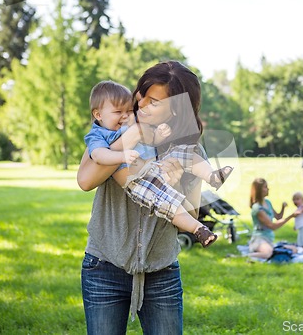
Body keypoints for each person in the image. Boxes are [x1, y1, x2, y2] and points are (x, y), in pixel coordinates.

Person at [77, 61, 213, 334]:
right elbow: (86, 180)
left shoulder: (190, 150)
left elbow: (192, 215)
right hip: (104, 267)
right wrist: (130, 136)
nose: (141, 104)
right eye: (142, 94)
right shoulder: (111, 130)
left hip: (161, 273)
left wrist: (176, 184)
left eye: (154, 101)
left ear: (176, 109)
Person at [82, 80, 233, 248]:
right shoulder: (99, 134)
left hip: (157, 168)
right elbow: (97, 157)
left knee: (186, 153)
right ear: (98, 115)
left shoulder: (135, 124)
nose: (126, 116)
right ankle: (199, 229)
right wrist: (122, 153)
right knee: (165, 201)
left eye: (129, 111)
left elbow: (152, 140)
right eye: (119, 112)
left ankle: (212, 176)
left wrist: (160, 136)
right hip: (137, 180)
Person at [247, 178, 303, 259]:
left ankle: (274, 250)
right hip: (259, 239)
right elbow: (273, 226)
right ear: (259, 190)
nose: (268, 189)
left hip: (269, 240)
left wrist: (283, 208)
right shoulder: (257, 209)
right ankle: (243, 257)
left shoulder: (267, 202)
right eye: (265, 187)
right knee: (268, 253)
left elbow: (278, 217)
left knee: (294, 249)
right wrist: (291, 216)